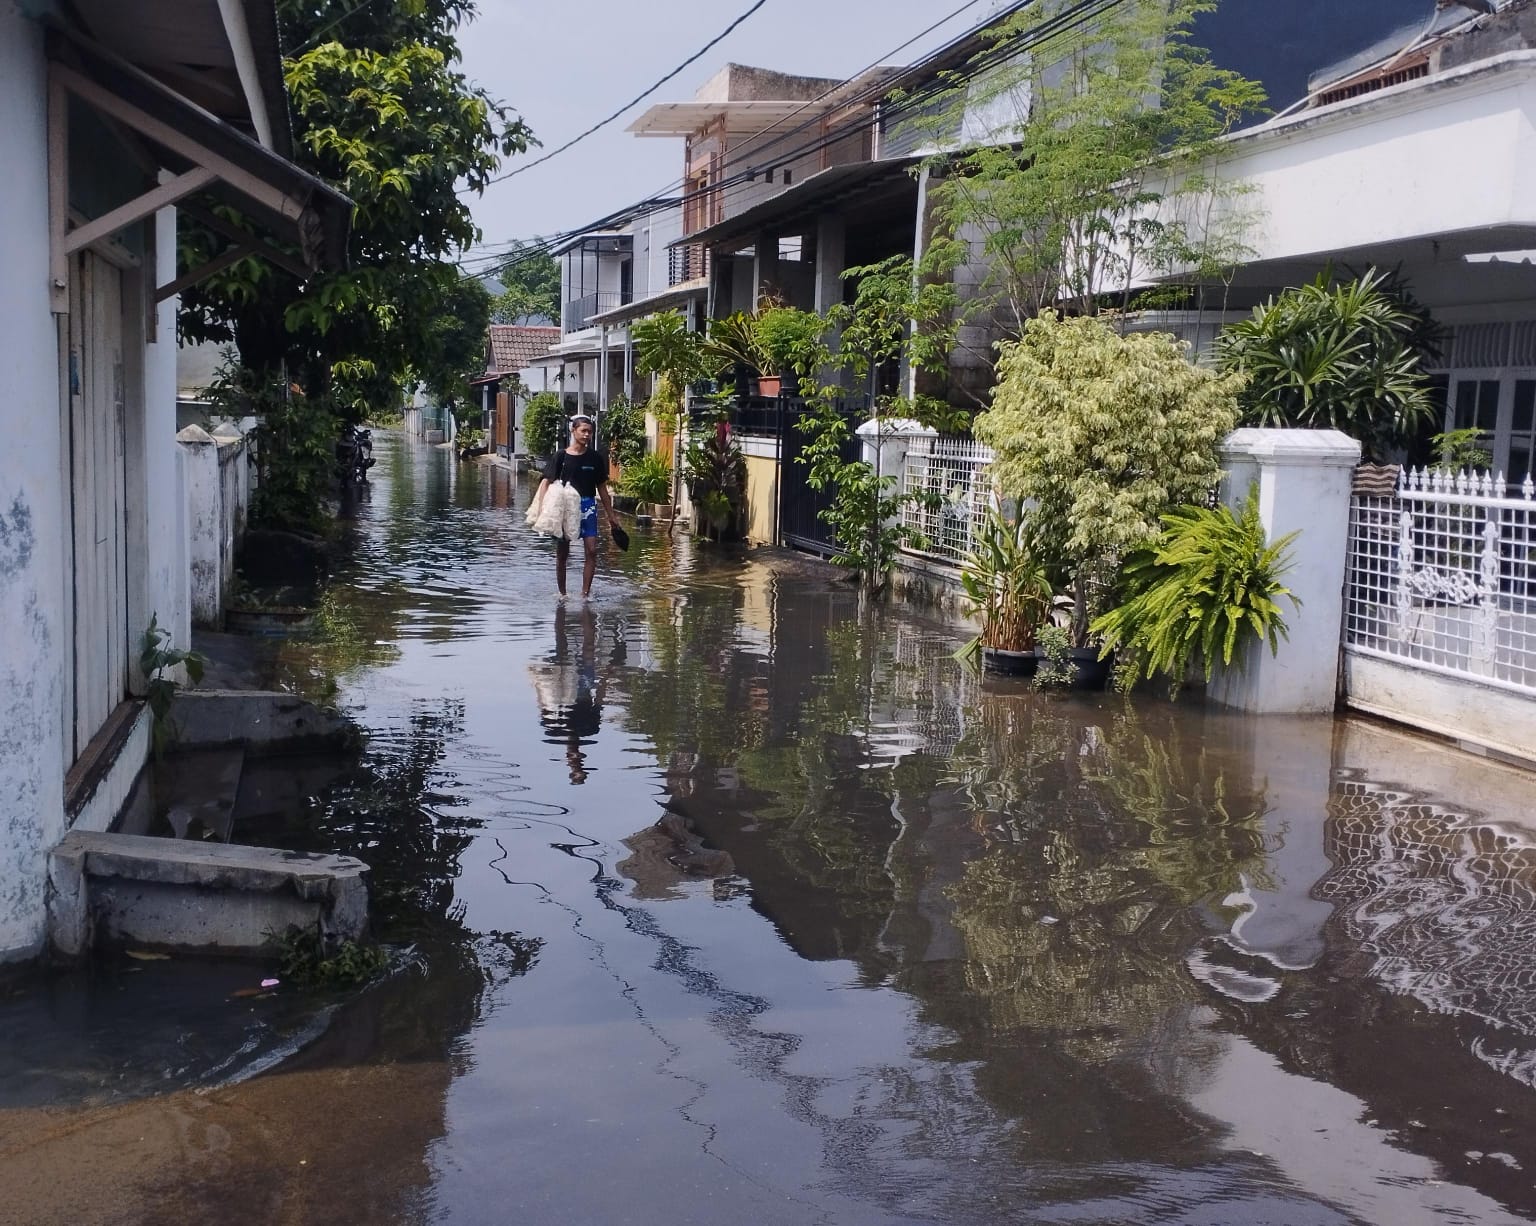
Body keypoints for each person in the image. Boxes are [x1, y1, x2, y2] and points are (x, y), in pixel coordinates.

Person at [532, 415, 620, 599]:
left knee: (592, 550)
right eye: (583, 431)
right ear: (573, 431)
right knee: (563, 552)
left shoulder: (595, 458)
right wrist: (542, 510)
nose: (587, 435)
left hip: (588, 506)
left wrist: (611, 516)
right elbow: (545, 483)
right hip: (565, 508)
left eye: (590, 432)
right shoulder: (561, 456)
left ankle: (584, 594)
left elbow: (602, 488)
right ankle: (562, 594)